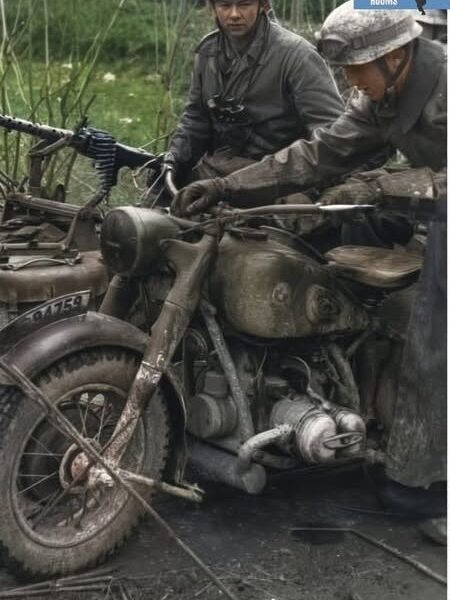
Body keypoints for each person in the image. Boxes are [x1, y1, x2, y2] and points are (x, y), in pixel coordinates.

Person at [173, 2, 447, 541]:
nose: (349, 82)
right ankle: (379, 431)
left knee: (437, 337)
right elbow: (318, 153)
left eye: (355, 68)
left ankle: (437, 483)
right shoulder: (379, 97)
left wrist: (381, 187)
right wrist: (230, 187)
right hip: (431, 208)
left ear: (393, 58)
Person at [164, 0, 345, 186]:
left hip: (279, 179)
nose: (234, 14)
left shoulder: (297, 55)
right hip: (216, 173)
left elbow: (330, 134)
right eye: (225, 5)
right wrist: (175, 159)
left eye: (244, 4)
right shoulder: (207, 52)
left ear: (263, 6)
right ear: (212, 8)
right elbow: (196, 119)